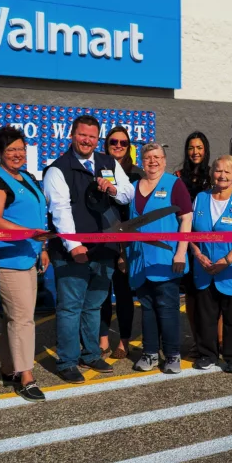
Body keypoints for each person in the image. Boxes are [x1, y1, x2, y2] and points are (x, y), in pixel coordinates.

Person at [42, 115, 133, 383]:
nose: (87, 140)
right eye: (82, 135)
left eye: (92, 136)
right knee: (70, 307)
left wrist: (113, 188)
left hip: (103, 249)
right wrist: (74, 245)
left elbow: (128, 193)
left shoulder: (108, 163)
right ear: (72, 135)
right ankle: (67, 361)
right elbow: (60, 211)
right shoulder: (58, 169)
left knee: (94, 305)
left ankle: (91, 353)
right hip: (74, 251)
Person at [0, 126, 48, 402]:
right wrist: (28, 234)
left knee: (16, 317)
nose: (17, 154)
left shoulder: (26, 177)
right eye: (11, 150)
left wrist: (41, 247)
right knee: (22, 319)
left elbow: (37, 217)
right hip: (11, 259)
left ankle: (8, 368)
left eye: (21, 149)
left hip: (29, 256)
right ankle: (27, 377)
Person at [126, 143, 193, 374]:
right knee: (147, 308)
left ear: (164, 160)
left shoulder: (175, 185)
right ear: (142, 162)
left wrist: (181, 252)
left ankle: (173, 354)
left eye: (157, 157)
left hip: (166, 259)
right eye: (148, 158)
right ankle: (150, 352)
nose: (152, 161)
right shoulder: (133, 187)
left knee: (167, 308)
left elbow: (186, 219)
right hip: (139, 261)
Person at [190, 155, 232, 373]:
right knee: (206, 316)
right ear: (212, 173)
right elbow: (190, 232)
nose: (222, 175)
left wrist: (227, 260)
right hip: (205, 268)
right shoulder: (201, 198)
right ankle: (207, 354)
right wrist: (198, 255)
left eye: (227, 172)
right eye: (218, 171)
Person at [99, 125, 143, 359]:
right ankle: (103, 339)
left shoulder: (136, 174)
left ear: (128, 146)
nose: (118, 146)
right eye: (113, 142)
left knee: (124, 294)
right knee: (102, 292)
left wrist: (126, 248)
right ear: (106, 145)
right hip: (102, 240)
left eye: (123, 143)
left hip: (126, 242)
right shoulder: (97, 168)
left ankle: (124, 341)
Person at [176, 131, 212, 357]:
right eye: (191, 147)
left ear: (205, 150)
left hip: (208, 243)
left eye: (199, 147)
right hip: (187, 242)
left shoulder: (213, 175)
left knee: (209, 294)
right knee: (191, 294)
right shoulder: (178, 176)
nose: (195, 152)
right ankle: (197, 340)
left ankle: (213, 340)